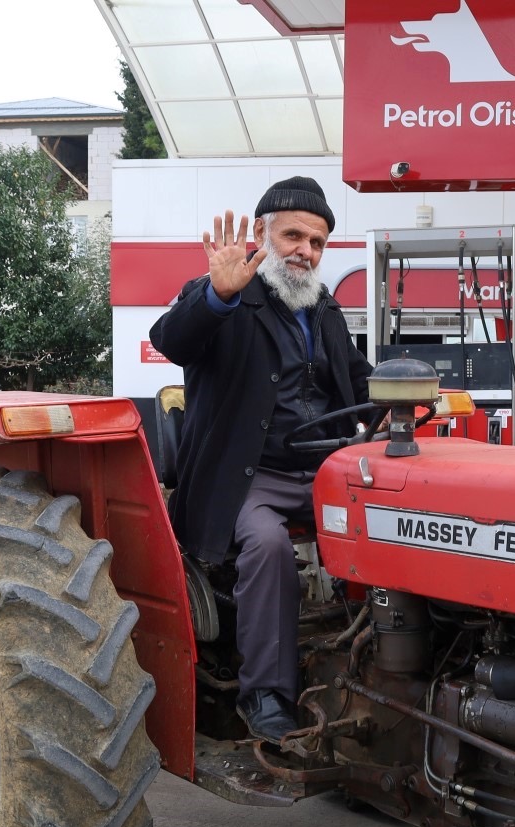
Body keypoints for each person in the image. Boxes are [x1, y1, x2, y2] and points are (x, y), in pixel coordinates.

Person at [148, 178, 370, 741]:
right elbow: (171, 338)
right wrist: (216, 296)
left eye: (317, 242)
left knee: (395, 527)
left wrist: (409, 389)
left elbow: (360, 380)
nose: (305, 251)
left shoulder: (323, 310)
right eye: (293, 235)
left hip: (325, 471)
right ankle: (266, 696)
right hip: (248, 479)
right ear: (261, 234)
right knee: (269, 544)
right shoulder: (225, 296)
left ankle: (374, 669)